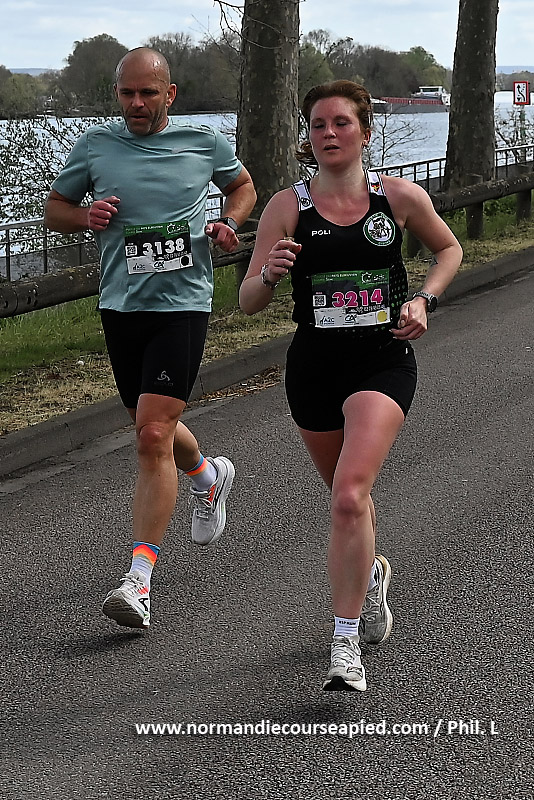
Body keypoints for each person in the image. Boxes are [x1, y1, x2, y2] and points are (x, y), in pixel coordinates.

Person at [239, 80, 462, 691]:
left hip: (380, 362)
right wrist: (269, 272)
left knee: (347, 494)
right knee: (350, 501)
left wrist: (423, 299)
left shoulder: (397, 197)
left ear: (364, 131)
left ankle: (344, 643)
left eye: (341, 122)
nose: (329, 133)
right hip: (314, 368)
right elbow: (248, 299)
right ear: (308, 137)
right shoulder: (288, 206)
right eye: (318, 125)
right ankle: (373, 572)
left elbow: (449, 250)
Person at [45, 48, 256, 630]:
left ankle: (138, 581)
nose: (136, 103)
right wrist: (85, 217)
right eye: (127, 93)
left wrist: (229, 223)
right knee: (148, 426)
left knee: (154, 433)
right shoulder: (95, 146)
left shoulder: (203, 142)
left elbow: (242, 186)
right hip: (122, 305)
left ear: (171, 94)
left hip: (182, 304)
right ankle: (208, 478)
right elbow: (55, 208)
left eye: (148, 93)